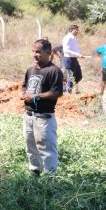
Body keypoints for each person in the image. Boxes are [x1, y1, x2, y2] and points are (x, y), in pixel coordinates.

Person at [20, 39, 63, 175]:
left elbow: (56, 92)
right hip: (29, 116)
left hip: (44, 117)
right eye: (33, 51)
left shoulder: (54, 71)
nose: (34, 54)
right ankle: (35, 172)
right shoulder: (30, 70)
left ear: (48, 53)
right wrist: (22, 93)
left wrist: (35, 97)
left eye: (38, 52)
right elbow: (24, 85)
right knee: (31, 146)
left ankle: (50, 178)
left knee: (46, 149)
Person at [62, 25, 87, 93]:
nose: (77, 31)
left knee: (79, 76)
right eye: (76, 30)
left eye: (77, 30)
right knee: (71, 78)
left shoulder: (74, 38)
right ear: (71, 30)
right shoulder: (68, 38)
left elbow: (73, 49)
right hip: (69, 59)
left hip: (74, 59)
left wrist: (79, 55)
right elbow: (66, 50)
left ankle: (63, 89)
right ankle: (67, 92)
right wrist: (78, 54)